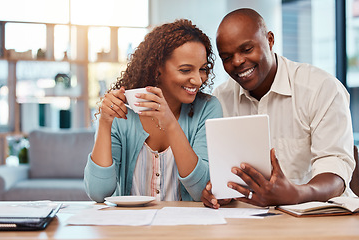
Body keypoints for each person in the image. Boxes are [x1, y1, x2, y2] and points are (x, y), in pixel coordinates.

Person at [201, 8, 355, 208]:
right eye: (227, 57)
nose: (237, 61)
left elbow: (336, 173)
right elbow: (223, 174)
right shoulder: (220, 99)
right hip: (247, 221)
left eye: (247, 49)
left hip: (315, 219)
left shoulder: (321, 88)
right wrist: (216, 192)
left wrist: (296, 194)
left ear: (270, 40)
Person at [84, 19, 223, 203]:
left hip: (187, 228)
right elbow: (98, 193)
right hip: (129, 227)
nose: (198, 80)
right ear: (158, 68)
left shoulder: (208, 108)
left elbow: (202, 190)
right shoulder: (123, 112)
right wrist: (104, 123)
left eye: (203, 69)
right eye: (185, 70)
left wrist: (171, 124)